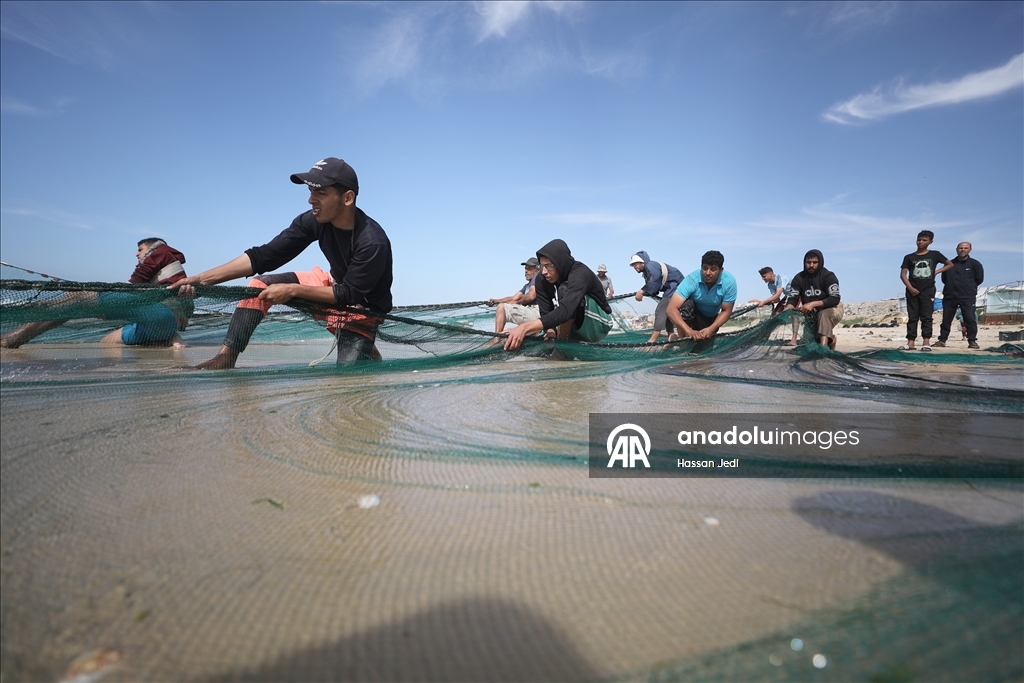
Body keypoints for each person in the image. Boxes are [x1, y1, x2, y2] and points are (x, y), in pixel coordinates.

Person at [172, 157, 393, 368]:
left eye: (321, 193)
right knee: (260, 285)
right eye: (310, 191)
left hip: (362, 307)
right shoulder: (314, 220)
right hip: (333, 286)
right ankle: (225, 358)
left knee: (347, 375)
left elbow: (349, 294)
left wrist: (292, 290)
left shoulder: (372, 242)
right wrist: (202, 279)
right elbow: (265, 256)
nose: (311, 200)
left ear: (347, 198)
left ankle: (365, 346)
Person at [0, 238, 192, 349]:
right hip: (158, 327)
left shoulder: (159, 251)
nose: (137, 254)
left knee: (79, 297)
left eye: (140, 249)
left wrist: (95, 299)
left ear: (152, 247)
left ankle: (10, 339)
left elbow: (131, 286)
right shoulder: (174, 271)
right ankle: (166, 339)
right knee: (106, 342)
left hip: (161, 316)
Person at [503, 239, 613, 351]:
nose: (544, 271)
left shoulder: (580, 273)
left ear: (560, 263)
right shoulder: (542, 278)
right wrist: (550, 330)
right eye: (542, 266)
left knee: (564, 290)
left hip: (599, 323)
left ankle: (561, 351)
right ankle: (561, 343)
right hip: (574, 321)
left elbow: (565, 311)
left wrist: (524, 328)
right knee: (540, 345)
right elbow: (546, 311)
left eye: (549, 265)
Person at [664, 250, 736, 351]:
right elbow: (671, 309)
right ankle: (683, 343)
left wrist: (711, 328)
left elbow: (726, 311)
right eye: (705, 268)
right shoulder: (692, 279)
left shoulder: (729, 282)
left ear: (721, 270)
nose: (708, 273)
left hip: (710, 320)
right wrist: (688, 330)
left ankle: (675, 339)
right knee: (687, 304)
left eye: (713, 269)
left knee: (701, 351)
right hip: (692, 317)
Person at [899, 230, 952, 351]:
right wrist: (910, 288)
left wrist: (936, 272)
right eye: (919, 240)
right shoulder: (909, 257)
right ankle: (911, 342)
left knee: (926, 316)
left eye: (924, 240)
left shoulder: (935, 254)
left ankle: (926, 341)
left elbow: (949, 264)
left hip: (928, 289)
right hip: (912, 290)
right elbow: (903, 274)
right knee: (913, 317)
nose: (921, 242)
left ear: (930, 242)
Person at [784, 249, 843, 349]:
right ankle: (832, 340)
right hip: (810, 313)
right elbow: (793, 299)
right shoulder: (799, 278)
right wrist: (787, 308)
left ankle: (823, 349)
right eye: (808, 262)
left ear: (820, 262)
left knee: (823, 314)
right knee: (810, 342)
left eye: (815, 262)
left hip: (833, 309)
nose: (811, 265)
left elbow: (834, 298)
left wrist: (813, 304)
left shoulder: (828, 276)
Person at [934, 242, 984, 350]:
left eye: (966, 248)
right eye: (961, 248)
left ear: (970, 249)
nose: (963, 250)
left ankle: (972, 341)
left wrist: (969, 288)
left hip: (967, 296)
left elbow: (979, 279)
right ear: (957, 249)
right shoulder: (949, 264)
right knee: (946, 320)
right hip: (950, 296)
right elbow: (944, 279)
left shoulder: (975, 264)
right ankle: (942, 340)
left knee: (970, 319)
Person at [630, 251, 684, 344]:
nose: (635, 267)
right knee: (669, 311)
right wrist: (645, 291)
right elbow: (655, 287)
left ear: (642, 262)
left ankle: (653, 340)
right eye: (633, 265)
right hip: (672, 288)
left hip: (675, 286)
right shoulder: (647, 272)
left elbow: (654, 280)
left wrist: (642, 291)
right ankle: (671, 335)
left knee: (661, 310)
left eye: (636, 264)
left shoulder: (650, 266)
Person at [487, 257, 541, 334]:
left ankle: (497, 338)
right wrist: (496, 301)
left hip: (536, 312)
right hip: (530, 313)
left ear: (537, 269)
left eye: (529, 268)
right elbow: (514, 298)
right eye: (525, 268)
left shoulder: (537, 277)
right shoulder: (527, 286)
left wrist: (518, 302)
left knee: (501, 307)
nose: (526, 271)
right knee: (508, 337)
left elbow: (531, 296)